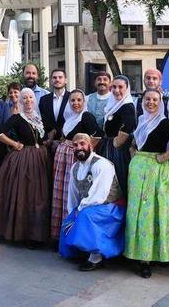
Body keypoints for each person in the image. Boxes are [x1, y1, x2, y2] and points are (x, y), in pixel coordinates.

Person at [125, 89, 169, 278]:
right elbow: (134, 142)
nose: (151, 102)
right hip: (139, 169)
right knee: (139, 212)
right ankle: (143, 258)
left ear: (160, 102)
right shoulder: (140, 120)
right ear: (143, 101)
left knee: (159, 210)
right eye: (147, 99)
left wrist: (166, 156)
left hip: (158, 169)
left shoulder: (163, 121)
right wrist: (133, 152)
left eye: (155, 99)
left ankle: (161, 254)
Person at [0, 88, 51, 246]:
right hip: (24, 160)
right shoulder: (17, 118)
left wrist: (50, 141)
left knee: (40, 196)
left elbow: (46, 136)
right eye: (25, 98)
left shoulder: (39, 118)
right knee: (27, 195)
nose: (28, 101)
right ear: (20, 101)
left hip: (41, 159)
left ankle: (38, 235)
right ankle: (25, 234)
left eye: (31, 97)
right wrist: (14, 144)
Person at [58, 133, 125, 271]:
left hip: (111, 207)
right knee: (69, 221)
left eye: (82, 144)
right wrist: (72, 213)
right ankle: (80, 250)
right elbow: (73, 195)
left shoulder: (102, 164)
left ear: (90, 145)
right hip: (90, 206)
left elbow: (99, 195)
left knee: (86, 215)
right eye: (75, 145)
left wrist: (80, 209)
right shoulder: (75, 167)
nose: (79, 148)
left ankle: (96, 258)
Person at [52, 90, 102, 241]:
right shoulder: (69, 118)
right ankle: (61, 234)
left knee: (73, 195)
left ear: (84, 101)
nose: (76, 103)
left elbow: (98, 135)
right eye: (72, 100)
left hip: (76, 158)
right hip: (63, 159)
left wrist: (86, 153)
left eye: (79, 100)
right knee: (61, 195)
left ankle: (75, 236)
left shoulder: (86, 116)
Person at [98, 75, 137, 194]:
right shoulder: (113, 104)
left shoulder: (127, 106)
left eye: (120, 87)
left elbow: (129, 126)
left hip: (119, 150)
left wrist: (116, 143)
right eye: (114, 87)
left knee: (119, 178)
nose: (116, 90)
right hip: (109, 146)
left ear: (127, 88)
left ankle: (120, 209)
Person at [39, 68, 70, 144]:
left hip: (66, 141)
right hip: (48, 142)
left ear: (66, 80)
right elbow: (41, 119)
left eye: (60, 77)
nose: (57, 80)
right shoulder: (43, 100)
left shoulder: (72, 98)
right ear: (51, 81)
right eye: (54, 77)